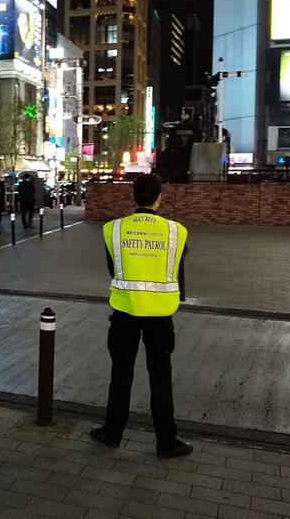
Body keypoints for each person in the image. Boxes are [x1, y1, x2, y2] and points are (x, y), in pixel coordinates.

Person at [91, 174, 192, 459]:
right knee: (160, 378)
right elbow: (176, 269)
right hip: (160, 316)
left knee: (121, 375)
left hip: (124, 312)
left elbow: (113, 270)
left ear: (133, 197)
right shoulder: (176, 232)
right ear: (160, 197)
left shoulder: (113, 229)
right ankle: (166, 441)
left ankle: (111, 434)